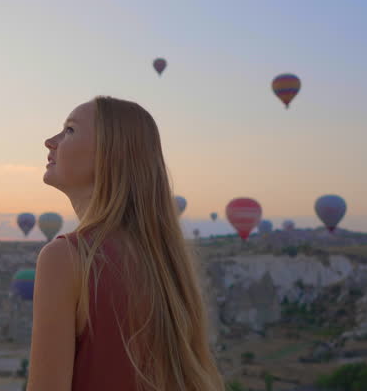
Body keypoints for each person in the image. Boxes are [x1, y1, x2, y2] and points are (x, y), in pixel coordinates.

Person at [27, 96, 224, 391]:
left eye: (69, 130)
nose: (49, 141)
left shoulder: (65, 258)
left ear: (109, 154)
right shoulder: (165, 261)